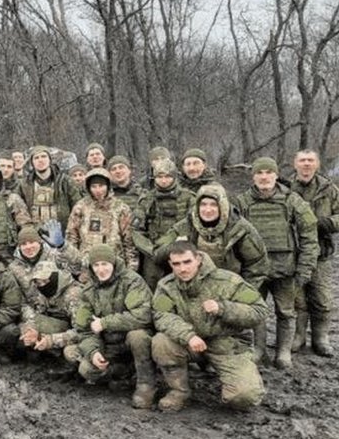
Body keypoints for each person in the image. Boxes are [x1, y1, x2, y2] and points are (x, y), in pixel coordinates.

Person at [152, 241, 269, 411]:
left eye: (187, 262)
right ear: (170, 264)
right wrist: (188, 336)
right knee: (161, 341)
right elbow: (162, 315)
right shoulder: (166, 286)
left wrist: (223, 308)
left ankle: (235, 377)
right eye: (176, 264)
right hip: (190, 343)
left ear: (198, 259)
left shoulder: (228, 280)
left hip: (226, 344)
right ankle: (179, 390)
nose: (182, 269)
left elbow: (259, 311)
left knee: (244, 397)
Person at [236, 157, 319, 368]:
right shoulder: (242, 202)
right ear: (253, 176)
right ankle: (259, 349)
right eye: (259, 173)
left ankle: (283, 352)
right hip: (254, 269)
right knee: (256, 311)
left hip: (286, 269)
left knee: (286, 312)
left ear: (275, 175)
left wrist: (304, 269)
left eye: (268, 172)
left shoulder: (293, 201)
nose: (264, 177)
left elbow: (309, 236)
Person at [71, 244, 155, 409]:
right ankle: (123, 372)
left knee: (137, 336)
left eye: (105, 264)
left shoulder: (132, 281)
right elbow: (84, 329)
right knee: (86, 369)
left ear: (114, 263)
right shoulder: (88, 291)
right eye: (96, 265)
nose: (101, 269)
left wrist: (105, 323)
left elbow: (143, 315)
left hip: (133, 343)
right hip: (110, 345)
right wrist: (94, 352)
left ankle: (146, 384)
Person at [287, 149, 339, 356]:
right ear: (295, 164)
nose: (306, 164)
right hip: (293, 252)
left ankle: (320, 337)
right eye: (302, 160)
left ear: (317, 164)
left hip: (321, 253)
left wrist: (327, 223)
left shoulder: (329, 189)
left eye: (310, 160)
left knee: (321, 298)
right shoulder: (285, 188)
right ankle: (298, 336)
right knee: (296, 298)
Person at [131, 159, 196, 290]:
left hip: (182, 248)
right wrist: (151, 250)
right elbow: (136, 230)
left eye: (168, 176)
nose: (164, 181)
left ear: (174, 177)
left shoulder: (188, 198)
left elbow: (194, 224)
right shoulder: (147, 199)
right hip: (154, 251)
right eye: (160, 177)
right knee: (151, 285)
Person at [65, 168, 137, 274]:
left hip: (115, 265)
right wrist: (74, 268)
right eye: (94, 186)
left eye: (101, 186)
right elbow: (72, 237)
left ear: (108, 186)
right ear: (88, 188)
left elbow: (129, 242)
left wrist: (131, 270)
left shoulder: (120, 208)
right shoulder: (81, 207)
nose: (98, 190)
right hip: (86, 265)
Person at [17, 145, 81, 228]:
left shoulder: (64, 181)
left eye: (44, 156)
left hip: (63, 231)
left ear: (50, 160)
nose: (40, 160)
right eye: (36, 158)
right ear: (32, 163)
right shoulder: (25, 184)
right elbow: (19, 211)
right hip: (34, 234)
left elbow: (78, 206)